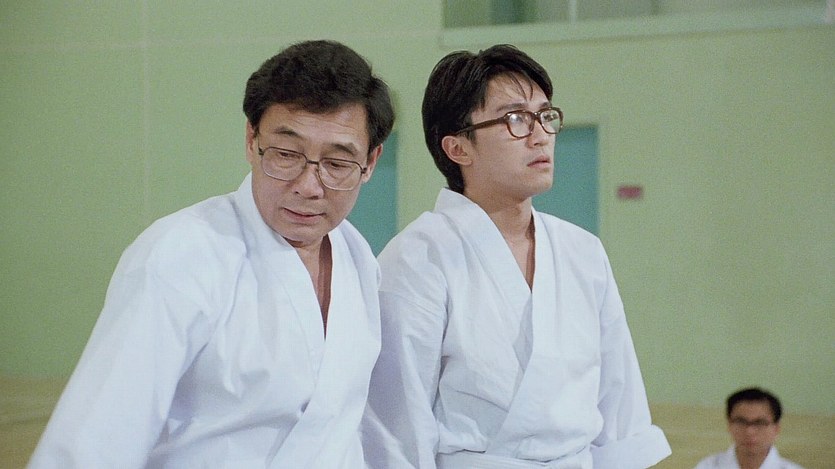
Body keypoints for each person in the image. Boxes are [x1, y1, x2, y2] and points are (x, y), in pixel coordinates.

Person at [28, 40, 394, 468]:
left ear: (370, 163)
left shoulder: (357, 257)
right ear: (251, 140)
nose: (309, 186)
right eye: (286, 154)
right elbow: (97, 438)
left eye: (337, 164)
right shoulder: (181, 255)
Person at [364, 44, 671, 468]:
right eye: (515, 119)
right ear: (458, 148)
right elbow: (396, 429)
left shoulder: (582, 251)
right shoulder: (417, 259)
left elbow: (620, 405)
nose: (540, 135)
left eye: (545, 116)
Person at [694, 387, 804, 469]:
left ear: (776, 429)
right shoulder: (707, 466)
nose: (749, 431)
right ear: (729, 425)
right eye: (741, 422)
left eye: (760, 423)